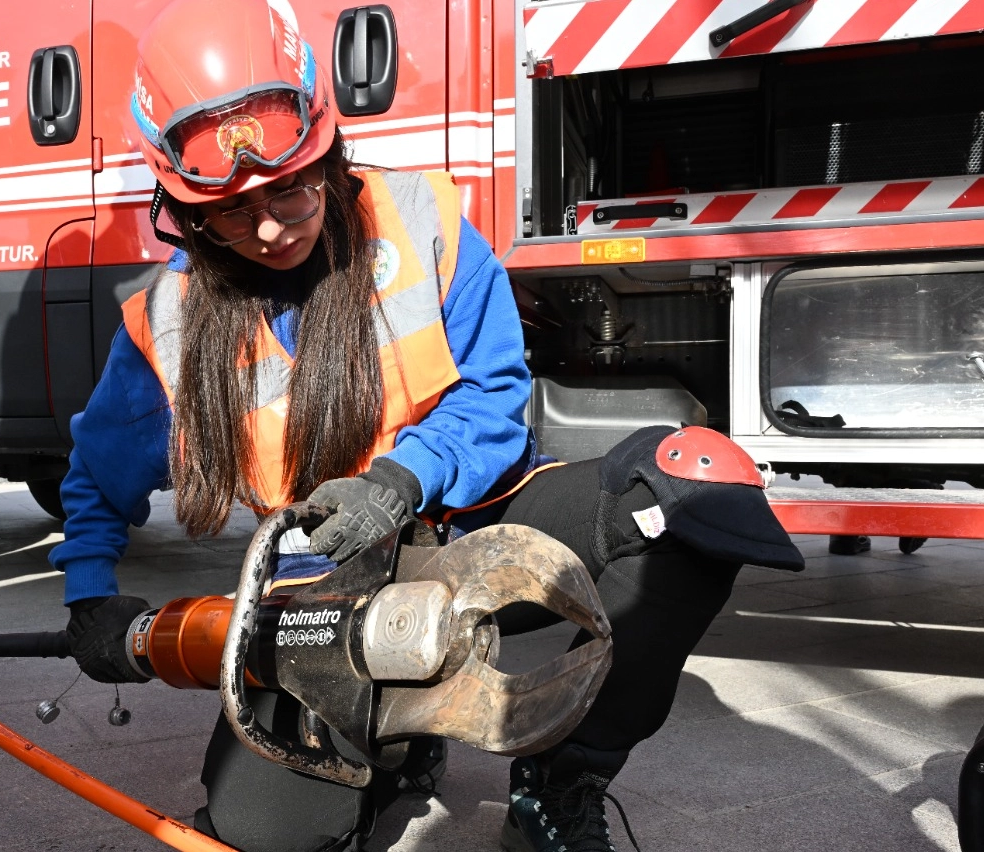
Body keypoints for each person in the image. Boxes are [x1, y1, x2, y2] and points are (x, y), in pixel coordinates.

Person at [48, 2, 806, 850]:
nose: (269, 228)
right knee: (266, 836)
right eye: (230, 211)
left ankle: (562, 780)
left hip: (470, 539)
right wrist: (89, 600)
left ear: (327, 156)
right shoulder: (168, 322)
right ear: (182, 211)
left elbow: (493, 395)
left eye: (292, 190)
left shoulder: (422, 222)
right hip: (324, 591)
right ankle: (394, 738)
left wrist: (401, 479)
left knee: (691, 491)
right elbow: (95, 479)